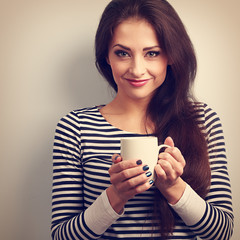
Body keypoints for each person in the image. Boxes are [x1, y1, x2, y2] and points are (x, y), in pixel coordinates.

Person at [51, 0, 234, 239]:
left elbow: (222, 231)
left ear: (171, 55)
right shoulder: (74, 128)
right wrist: (116, 196)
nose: (137, 69)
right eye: (123, 53)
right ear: (107, 56)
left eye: (152, 53)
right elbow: (61, 235)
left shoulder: (201, 120)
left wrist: (173, 187)